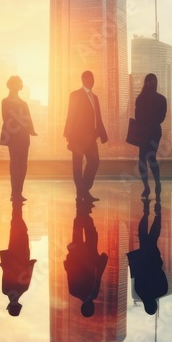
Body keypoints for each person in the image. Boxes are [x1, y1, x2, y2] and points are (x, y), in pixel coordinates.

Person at [63, 71, 108, 203]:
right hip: (77, 136)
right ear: (82, 80)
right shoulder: (75, 95)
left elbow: (97, 117)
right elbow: (70, 114)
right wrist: (68, 134)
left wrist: (102, 134)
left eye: (92, 78)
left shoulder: (95, 97)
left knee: (94, 161)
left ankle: (85, 189)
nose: (91, 81)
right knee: (77, 166)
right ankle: (81, 193)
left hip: (91, 137)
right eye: (88, 79)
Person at [64, 201, 109, 317]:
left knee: (89, 232)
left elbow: (97, 275)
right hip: (80, 255)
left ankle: (83, 206)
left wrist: (101, 261)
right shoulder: (74, 292)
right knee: (83, 229)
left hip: (86, 256)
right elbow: (70, 272)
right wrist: (70, 256)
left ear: (91, 307)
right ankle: (83, 207)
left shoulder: (92, 293)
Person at [0, 76, 37, 203]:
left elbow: (29, 119)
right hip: (13, 138)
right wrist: (21, 123)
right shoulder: (5, 101)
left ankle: (19, 192)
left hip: (24, 137)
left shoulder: (24, 103)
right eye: (16, 83)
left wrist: (31, 130)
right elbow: (6, 118)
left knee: (23, 165)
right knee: (15, 164)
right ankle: (14, 192)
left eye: (19, 83)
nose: (18, 85)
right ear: (11, 85)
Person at [127, 201, 167, 315]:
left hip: (153, 261)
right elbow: (137, 275)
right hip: (143, 259)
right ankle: (146, 212)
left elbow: (163, 275)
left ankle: (157, 215)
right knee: (143, 237)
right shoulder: (140, 292)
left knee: (153, 238)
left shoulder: (161, 291)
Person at [133, 73, 167, 200]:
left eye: (152, 82)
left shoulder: (160, 99)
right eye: (149, 81)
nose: (150, 84)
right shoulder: (141, 98)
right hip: (145, 132)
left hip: (153, 133)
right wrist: (147, 124)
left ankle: (155, 184)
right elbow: (137, 116)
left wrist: (148, 124)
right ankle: (147, 186)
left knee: (150, 157)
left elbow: (161, 117)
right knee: (142, 158)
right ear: (146, 83)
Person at [0, 201, 37, 316]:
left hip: (21, 256)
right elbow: (5, 272)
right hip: (12, 256)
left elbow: (27, 273)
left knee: (21, 233)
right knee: (15, 232)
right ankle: (17, 207)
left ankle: (17, 206)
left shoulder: (23, 289)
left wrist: (31, 263)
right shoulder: (5, 291)